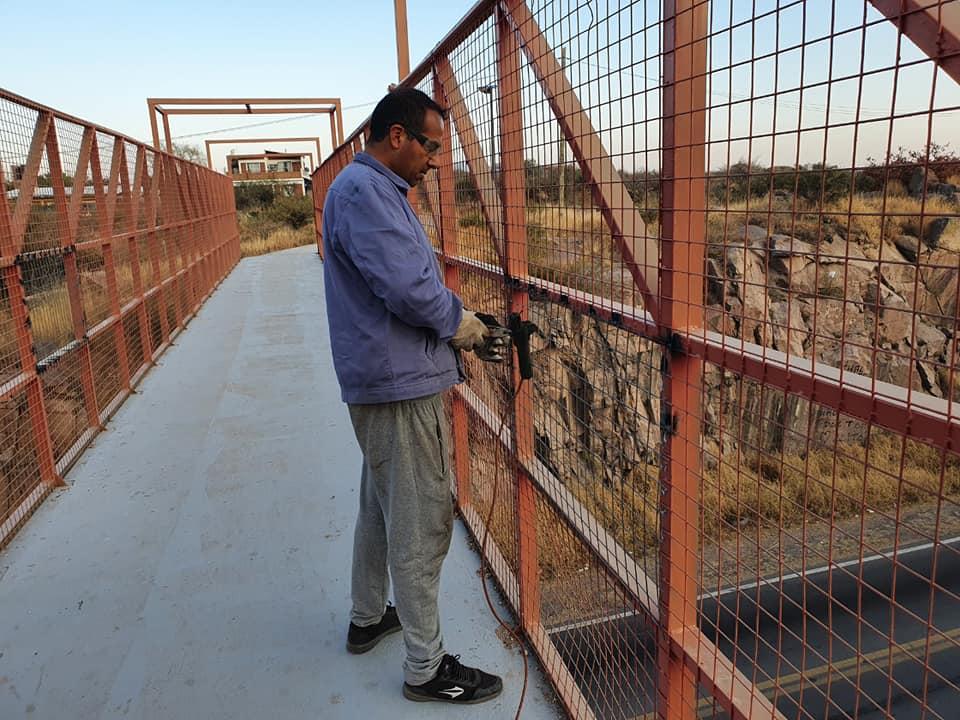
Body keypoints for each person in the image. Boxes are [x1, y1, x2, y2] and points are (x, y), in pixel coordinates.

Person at [321, 87, 503, 705]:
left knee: (378, 504)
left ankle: (368, 616)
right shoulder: (367, 194)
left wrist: (454, 318)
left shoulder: (364, 190)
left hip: (382, 376)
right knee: (421, 523)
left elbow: (406, 280)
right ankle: (426, 669)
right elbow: (410, 288)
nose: (435, 160)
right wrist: (463, 325)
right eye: (429, 146)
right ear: (396, 136)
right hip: (398, 386)